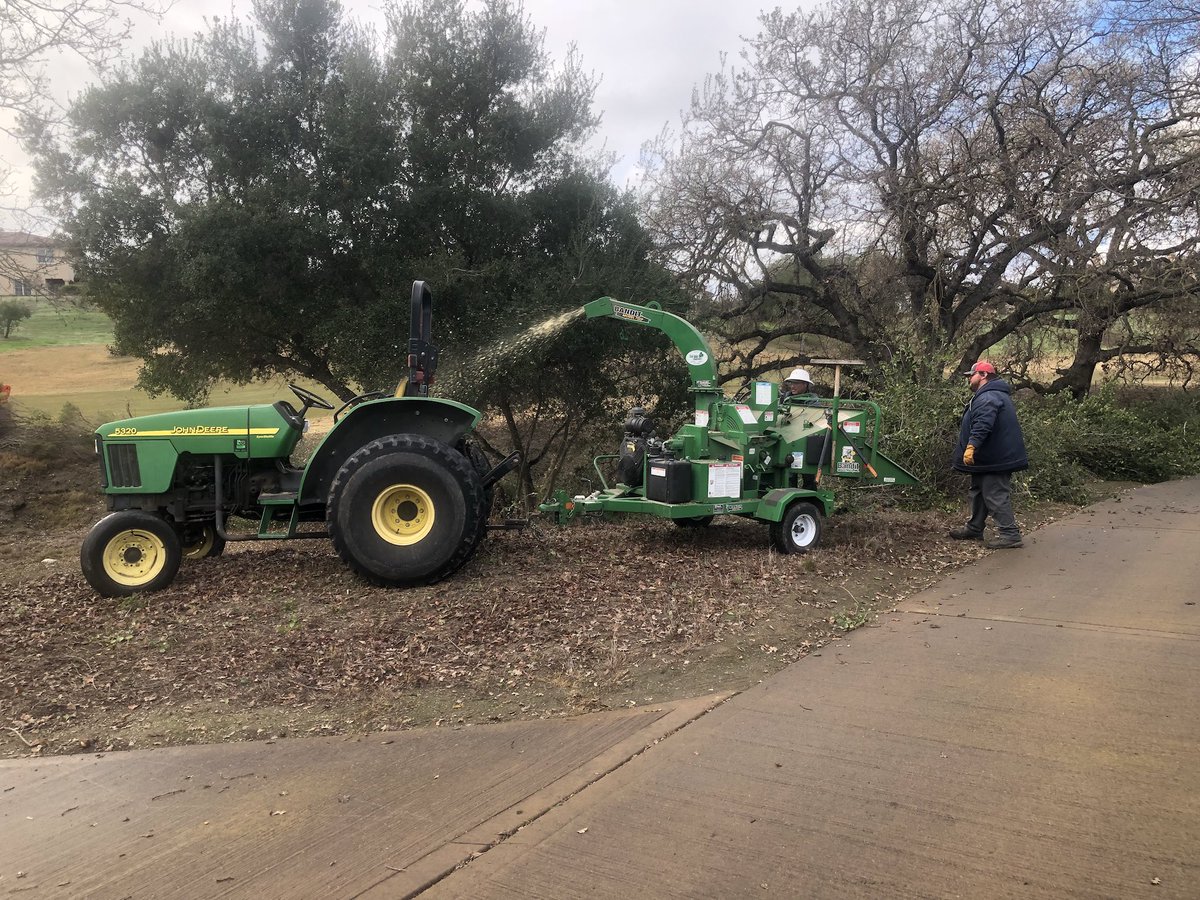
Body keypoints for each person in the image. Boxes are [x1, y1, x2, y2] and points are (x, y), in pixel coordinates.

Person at [949, 361, 1028, 549]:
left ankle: (1010, 534)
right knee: (978, 492)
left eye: (972, 374)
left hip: (996, 458)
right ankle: (975, 528)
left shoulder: (988, 397)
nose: (969, 378)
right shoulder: (989, 394)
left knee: (995, 494)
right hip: (987, 458)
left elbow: (983, 424)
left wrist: (971, 446)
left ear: (983, 375)